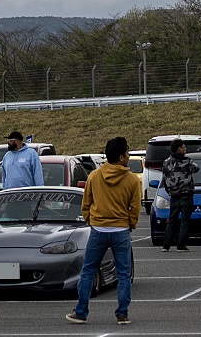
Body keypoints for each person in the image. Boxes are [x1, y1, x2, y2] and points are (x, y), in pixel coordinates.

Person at [68, 137, 139, 324]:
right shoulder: (131, 179)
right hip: (121, 230)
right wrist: (130, 224)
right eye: (127, 153)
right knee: (123, 274)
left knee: (88, 271)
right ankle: (122, 313)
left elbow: (86, 203)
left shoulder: (94, 176)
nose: (129, 156)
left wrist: (90, 220)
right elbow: (135, 207)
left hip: (98, 230)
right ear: (121, 157)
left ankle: (81, 312)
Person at [160, 145, 198, 250]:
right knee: (184, 220)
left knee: (172, 220)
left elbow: (164, 177)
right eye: (183, 147)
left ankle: (166, 245)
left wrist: (169, 190)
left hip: (174, 194)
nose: (185, 149)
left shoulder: (167, 162)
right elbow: (196, 168)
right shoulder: (188, 162)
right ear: (178, 149)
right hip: (186, 193)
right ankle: (181, 244)